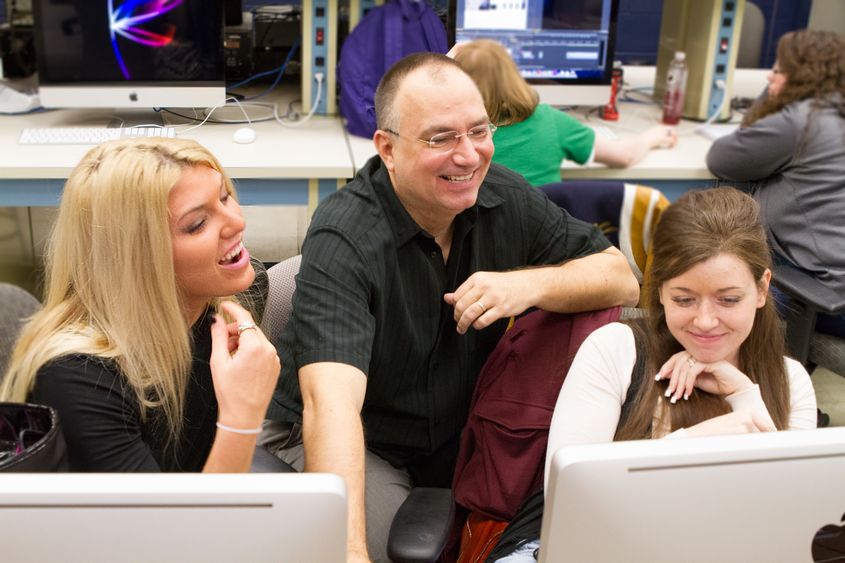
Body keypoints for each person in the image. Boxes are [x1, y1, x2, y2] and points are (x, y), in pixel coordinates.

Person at [262, 52, 640, 562]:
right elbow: (331, 405)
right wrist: (349, 554)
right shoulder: (345, 235)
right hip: (367, 436)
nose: (468, 156)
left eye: (479, 131)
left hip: (458, 433)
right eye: (441, 138)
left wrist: (528, 285)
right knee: (376, 543)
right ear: (388, 149)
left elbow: (621, 280)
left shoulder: (503, 196)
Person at [491, 187, 817, 562]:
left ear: (761, 290)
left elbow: (783, 522)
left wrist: (745, 396)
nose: (705, 320)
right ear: (659, 292)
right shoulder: (616, 348)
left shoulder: (790, 380)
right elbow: (572, 498)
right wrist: (683, 448)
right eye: (683, 299)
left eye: (728, 300)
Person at [0, 138, 280, 472]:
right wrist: (242, 415)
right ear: (139, 260)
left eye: (224, 197)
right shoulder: (79, 381)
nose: (237, 222)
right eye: (197, 223)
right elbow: (172, 526)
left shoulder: (222, 300)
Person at [707, 29, 845, 338]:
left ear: (802, 78)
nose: (771, 77)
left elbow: (722, 158)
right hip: (832, 280)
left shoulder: (802, 121)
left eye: (780, 71)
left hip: (824, 296)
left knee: (712, 287)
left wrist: (773, 98)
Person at [451, 38, 677, 187]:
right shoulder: (549, 119)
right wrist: (652, 137)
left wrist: (444, 63)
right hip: (543, 249)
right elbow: (623, 156)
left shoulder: (455, 139)